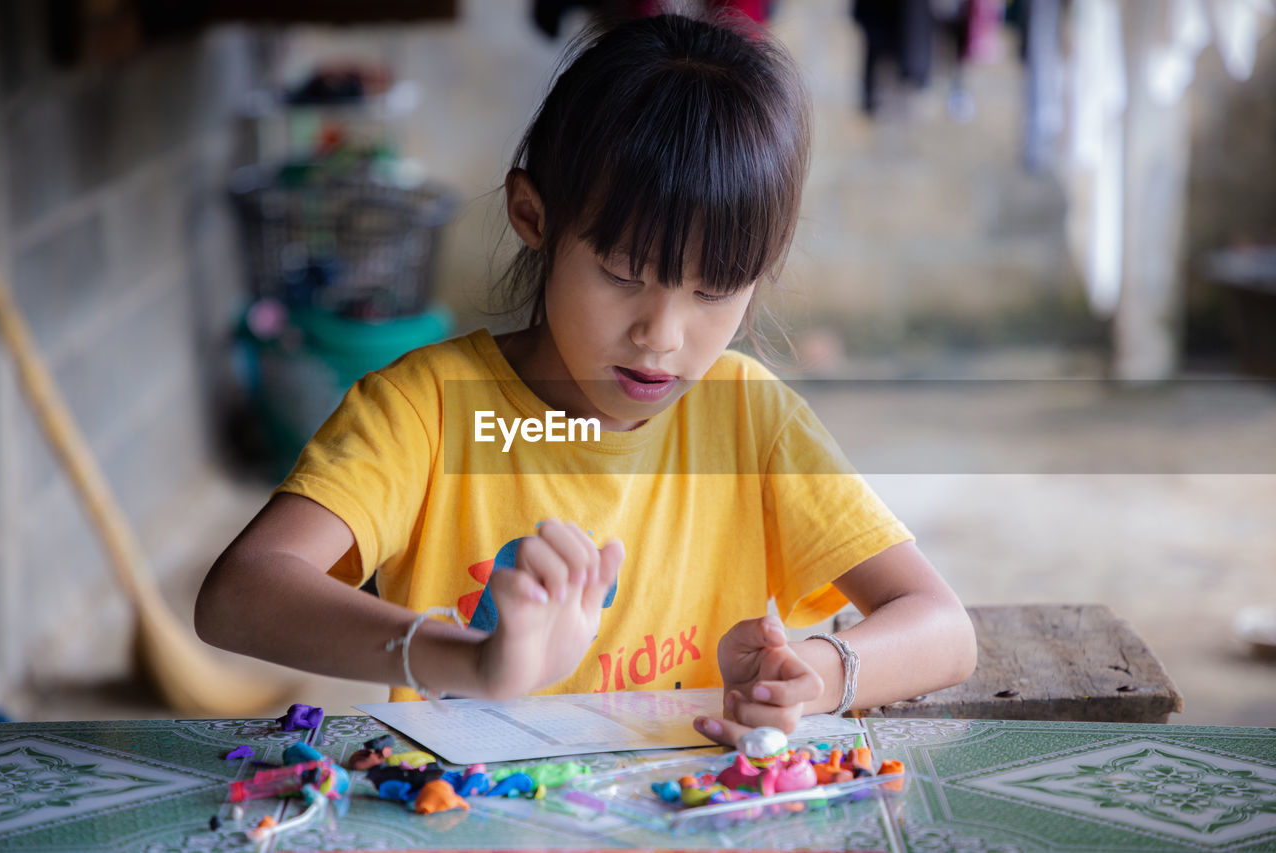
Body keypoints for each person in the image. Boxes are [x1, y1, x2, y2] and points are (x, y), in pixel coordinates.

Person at [195, 12, 976, 747]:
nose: (661, 337)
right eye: (620, 273)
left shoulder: (750, 421)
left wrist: (819, 673)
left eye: (714, 292)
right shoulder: (426, 412)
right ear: (533, 217)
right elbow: (239, 594)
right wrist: (469, 660)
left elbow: (943, 625)